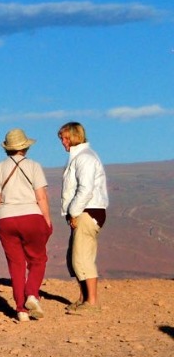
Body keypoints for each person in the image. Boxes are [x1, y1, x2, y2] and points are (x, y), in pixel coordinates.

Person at [0, 129, 51, 322]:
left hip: (6, 218)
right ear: (25, 147)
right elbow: (41, 196)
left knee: (16, 265)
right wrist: (47, 219)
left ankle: (21, 310)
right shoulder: (34, 166)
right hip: (31, 216)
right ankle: (32, 294)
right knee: (38, 259)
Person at [59, 122, 109, 315]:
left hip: (88, 211)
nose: (63, 142)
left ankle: (92, 302)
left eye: (65, 138)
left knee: (83, 257)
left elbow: (85, 189)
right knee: (74, 257)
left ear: (74, 137)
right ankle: (83, 298)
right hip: (82, 211)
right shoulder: (79, 157)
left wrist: (74, 212)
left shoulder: (85, 158)